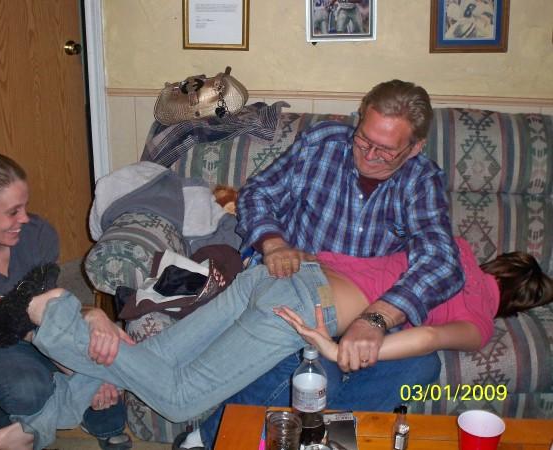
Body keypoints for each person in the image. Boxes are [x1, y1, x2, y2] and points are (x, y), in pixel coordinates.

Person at [0, 237, 553, 450]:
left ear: (496, 263)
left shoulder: (450, 244)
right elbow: (427, 337)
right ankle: (58, 316)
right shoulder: (480, 318)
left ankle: (37, 425)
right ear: (514, 306)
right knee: (181, 397)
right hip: (305, 308)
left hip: (273, 274)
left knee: (155, 359)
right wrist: (339, 349)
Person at [173, 78, 466, 449]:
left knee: (423, 366)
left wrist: (376, 319)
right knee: (313, 369)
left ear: (414, 148)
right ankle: (205, 439)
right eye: (363, 139)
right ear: (360, 117)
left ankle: (323, 441)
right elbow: (258, 194)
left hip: (368, 308)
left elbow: (443, 261)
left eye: (386, 150)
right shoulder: (322, 143)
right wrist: (273, 243)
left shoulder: (422, 180)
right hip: (305, 299)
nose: (368, 155)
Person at [0, 152, 132, 450]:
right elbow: (16, 323)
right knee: (29, 389)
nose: (24, 218)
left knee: (112, 351)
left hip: (43, 324)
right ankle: (15, 411)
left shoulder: (37, 233)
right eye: (12, 212)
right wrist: (88, 372)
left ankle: (30, 417)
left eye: (24, 206)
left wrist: (94, 318)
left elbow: (51, 313)